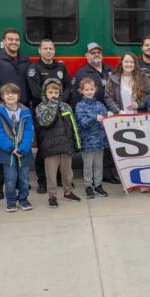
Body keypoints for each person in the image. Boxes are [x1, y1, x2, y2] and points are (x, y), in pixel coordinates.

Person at [0, 29, 32, 199]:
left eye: (17, 40)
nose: (14, 42)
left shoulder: (25, 60)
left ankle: (17, 182)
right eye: (10, 39)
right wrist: (4, 95)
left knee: (20, 142)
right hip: (1, 109)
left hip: (20, 110)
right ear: (4, 41)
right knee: (1, 148)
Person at [27, 39, 73, 194]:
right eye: (45, 48)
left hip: (60, 112)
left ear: (54, 50)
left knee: (60, 145)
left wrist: (59, 102)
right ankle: (42, 181)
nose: (48, 51)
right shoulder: (34, 68)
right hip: (43, 113)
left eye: (51, 48)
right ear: (39, 50)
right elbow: (35, 92)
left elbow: (68, 86)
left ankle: (59, 179)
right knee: (44, 147)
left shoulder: (60, 67)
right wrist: (51, 104)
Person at [70, 42, 119, 185]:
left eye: (98, 52)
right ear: (87, 56)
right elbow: (75, 99)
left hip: (108, 113)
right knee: (93, 152)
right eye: (92, 52)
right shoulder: (81, 73)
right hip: (90, 117)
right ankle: (90, 182)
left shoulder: (111, 70)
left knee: (107, 145)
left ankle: (108, 173)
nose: (96, 55)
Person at [35, 79, 82, 208]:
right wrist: (53, 104)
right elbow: (46, 122)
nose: (54, 94)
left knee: (67, 172)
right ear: (45, 93)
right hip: (50, 147)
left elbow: (73, 126)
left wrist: (76, 143)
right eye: (50, 92)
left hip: (65, 145)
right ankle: (52, 196)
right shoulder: (41, 107)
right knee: (51, 173)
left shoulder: (66, 106)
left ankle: (68, 192)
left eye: (56, 92)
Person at [0, 83, 35, 212]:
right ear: (2, 96)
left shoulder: (25, 111)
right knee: (10, 179)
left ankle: (23, 199)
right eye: (7, 93)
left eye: (13, 93)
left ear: (18, 95)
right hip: (7, 152)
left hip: (23, 151)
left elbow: (29, 131)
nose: (10, 95)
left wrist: (23, 148)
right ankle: (11, 201)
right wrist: (11, 148)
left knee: (24, 178)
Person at [75, 78, 112, 199]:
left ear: (95, 90)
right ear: (81, 91)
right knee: (88, 166)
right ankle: (88, 186)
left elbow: (105, 117)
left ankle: (98, 185)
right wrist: (95, 118)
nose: (89, 92)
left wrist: (109, 115)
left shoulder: (99, 104)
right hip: (87, 142)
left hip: (100, 141)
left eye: (91, 89)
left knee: (98, 165)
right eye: (86, 90)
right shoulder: (80, 106)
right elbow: (83, 123)